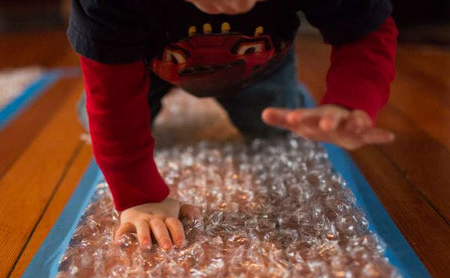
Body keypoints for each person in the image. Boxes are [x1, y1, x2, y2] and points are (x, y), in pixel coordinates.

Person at [68, 0, 398, 250]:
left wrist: (350, 102)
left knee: (276, 126)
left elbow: (364, 30)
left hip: (257, 67)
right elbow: (112, 97)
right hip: (143, 63)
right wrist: (139, 195)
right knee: (100, 117)